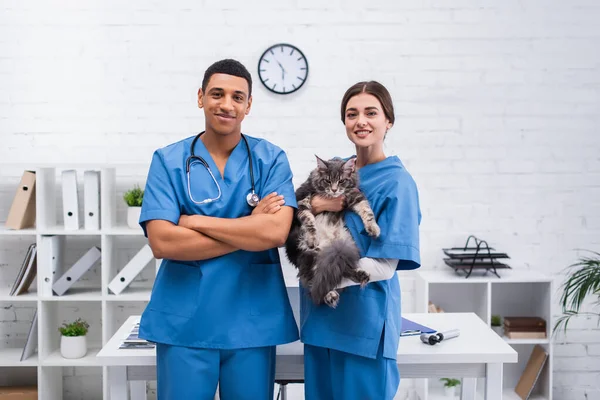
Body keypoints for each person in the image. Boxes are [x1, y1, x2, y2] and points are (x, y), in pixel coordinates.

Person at [137, 59, 299, 400]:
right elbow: (163, 241)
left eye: (237, 97)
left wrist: (193, 221)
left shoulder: (270, 159)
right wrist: (248, 226)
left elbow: (273, 234)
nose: (227, 104)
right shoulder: (168, 161)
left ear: (248, 105)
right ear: (200, 97)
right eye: (217, 94)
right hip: (186, 323)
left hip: (250, 325)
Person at [300, 81, 422, 399]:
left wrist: (322, 280)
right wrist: (314, 206)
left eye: (371, 112)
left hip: (362, 331)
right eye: (352, 114)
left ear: (388, 121)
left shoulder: (398, 183)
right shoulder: (336, 169)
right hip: (322, 326)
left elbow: (383, 266)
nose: (360, 121)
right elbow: (296, 214)